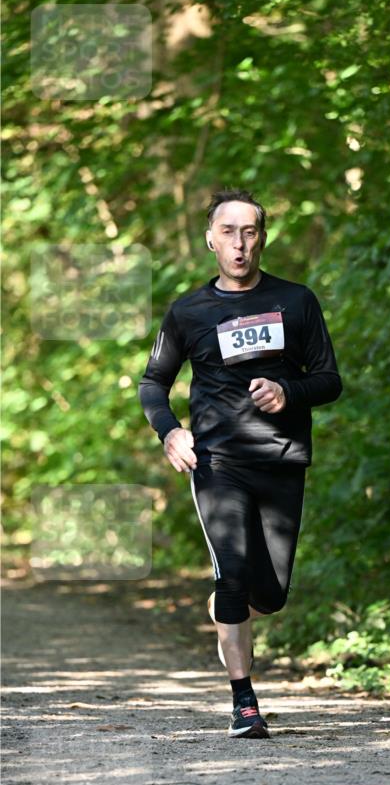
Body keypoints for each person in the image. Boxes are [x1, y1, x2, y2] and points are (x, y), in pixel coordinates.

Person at [138, 188, 342, 739]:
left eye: (249, 232)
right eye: (228, 232)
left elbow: (329, 379)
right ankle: (243, 702)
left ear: (263, 238)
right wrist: (171, 430)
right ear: (210, 239)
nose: (239, 243)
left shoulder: (296, 301)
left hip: (280, 459)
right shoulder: (187, 311)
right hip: (218, 462)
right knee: (231, 575)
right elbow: (154, 382)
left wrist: (287, 392)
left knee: (269, 596)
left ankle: (232, 607)